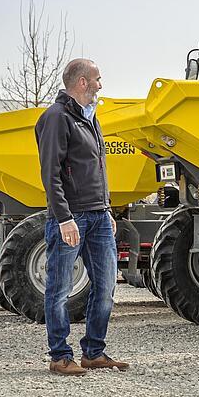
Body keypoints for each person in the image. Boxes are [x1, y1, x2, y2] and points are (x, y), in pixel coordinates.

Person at [35, 58, 129, 376]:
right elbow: (51, 174)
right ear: (83, 82)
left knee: (105, 286)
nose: (101, 85)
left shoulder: (90, 118)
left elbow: (96, 170)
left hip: (98, 215)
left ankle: (94, 352)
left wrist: (107, 208)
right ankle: (60, 355)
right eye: (98, 79)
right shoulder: (56, 118)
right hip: (70, 216)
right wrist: (63, 218)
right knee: (59, 288)